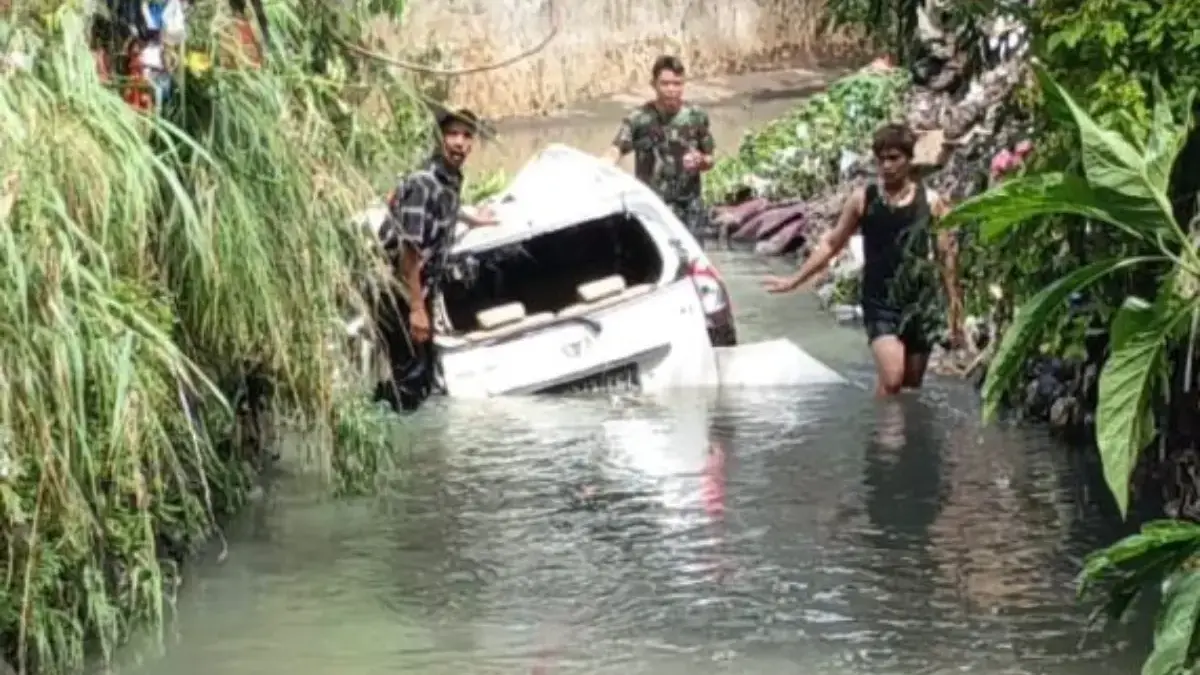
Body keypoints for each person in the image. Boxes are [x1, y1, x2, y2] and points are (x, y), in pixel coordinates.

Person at [762, 123, 964, 397]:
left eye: (894, 158)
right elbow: (833, 243)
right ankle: (882, 437)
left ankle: (897, 433)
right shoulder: (863, 200)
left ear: (909, 159)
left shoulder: (931, 201)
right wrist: (794, 280)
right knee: (893, 378)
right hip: (879, 301)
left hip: (919, 302)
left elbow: (946, 256)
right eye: (881, 159)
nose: (887, 166)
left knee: (910, 386)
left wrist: (955, 309)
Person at [373, 107, 498, 412]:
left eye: (467, 135)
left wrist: (470, 217)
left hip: (418, 287)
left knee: (422, 376)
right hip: (400, 289)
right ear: (440, 139)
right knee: (411, 381)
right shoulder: (423, 182)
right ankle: (386, 429)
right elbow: (409, 250)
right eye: (452, 134)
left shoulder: (449, 179)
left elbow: (443, 209)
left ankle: (390, 420)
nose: (459, 142)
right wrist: (417, 309)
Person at [603, 55, 716, 239]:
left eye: (677, 83)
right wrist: (600, 167)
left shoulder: (696, 117)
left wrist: (701, 161)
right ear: (653, 84)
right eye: (665, 84)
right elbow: (616, 149)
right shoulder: (639, 119)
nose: (671, 90)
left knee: (693, 265)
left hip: (690, 210)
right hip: (652, 209)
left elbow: (710, 159)